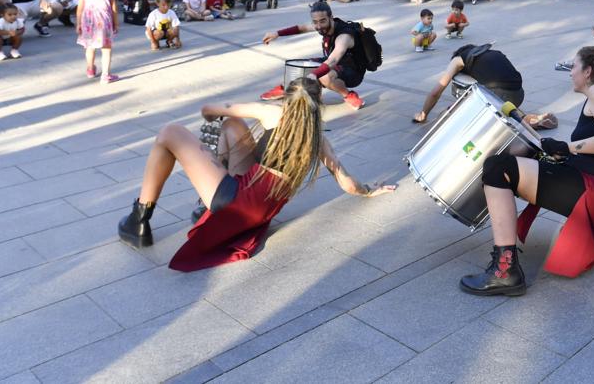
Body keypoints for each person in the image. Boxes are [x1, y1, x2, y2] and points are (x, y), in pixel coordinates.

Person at [116, 78, 394, 268]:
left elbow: (209, 109)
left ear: (287, 99)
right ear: (317, 105)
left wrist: (213, 115)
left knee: (169, 133)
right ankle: (205, 207)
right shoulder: (318, 139)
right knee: (233, 127)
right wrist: (369, 190)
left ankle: (139, 219)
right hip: (259, 210)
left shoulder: (271, 113)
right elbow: (347, 182)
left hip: (235, 202)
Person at [458, 45, 594, 295]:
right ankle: (505, 264)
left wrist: (568, 147)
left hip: (591, 190)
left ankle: (505, 271)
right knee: (517, 159)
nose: (571, 73)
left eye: (574, 67)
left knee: (496, 167)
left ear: (588, 72)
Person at [260, 1, 368, 109]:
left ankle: (349, 95)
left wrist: (314, 74)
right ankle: (286, 88)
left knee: (324, 77)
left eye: (322, 21)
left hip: (352, 71)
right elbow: (301, 28)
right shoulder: (323, 24)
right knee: (300, 65)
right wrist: (277, 33)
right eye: (315, 22)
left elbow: (333, 60)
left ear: (331, 17)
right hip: (335, 63)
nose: (319, 26)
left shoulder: (344, 36)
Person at [413, 44, 525, 124]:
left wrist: (423, 114)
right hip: (519, 95)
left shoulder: (458, 59)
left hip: (500, 97)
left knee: (447, 117)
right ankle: (529, 120)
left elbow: (436, 92)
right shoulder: (489, 52)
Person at [75, 0, 119, 83]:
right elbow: (114, 10)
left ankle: (90, 69)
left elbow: (80, 9)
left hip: (88, 22)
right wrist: (116, 23)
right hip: (104, 22)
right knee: (106, 48)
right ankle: (105, 75)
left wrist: (78, 24)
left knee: (90, 47)